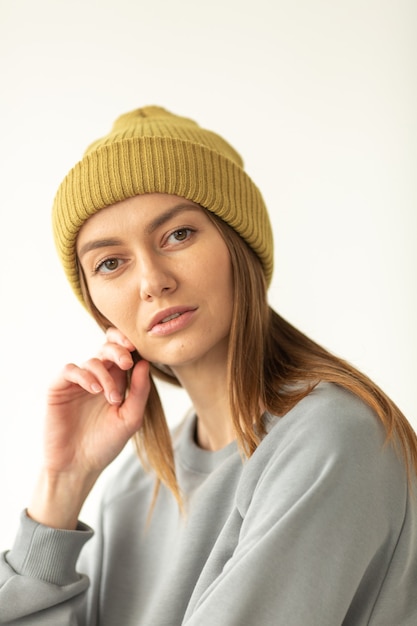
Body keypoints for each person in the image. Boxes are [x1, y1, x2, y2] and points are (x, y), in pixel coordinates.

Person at [0, 106, 416, 626]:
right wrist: (62, 484)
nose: (152, 280)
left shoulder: (331, 440)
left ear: (237, 241)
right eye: (110, 262)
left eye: (178, 235)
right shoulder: (136, 485)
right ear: (95, 301)